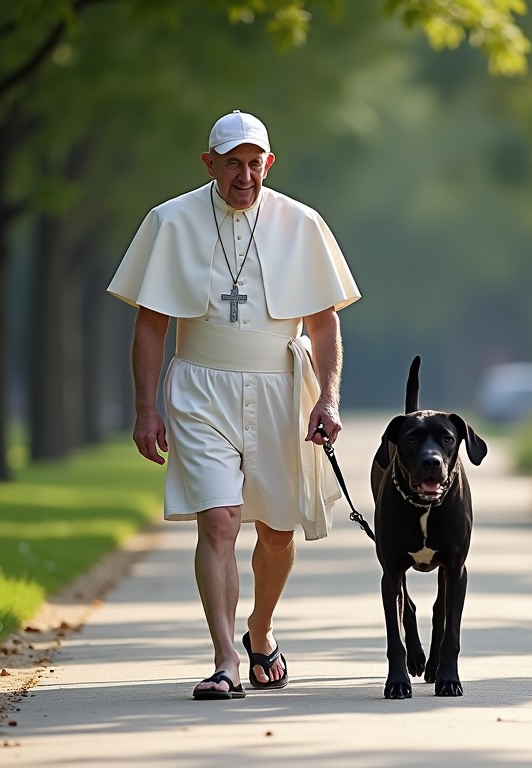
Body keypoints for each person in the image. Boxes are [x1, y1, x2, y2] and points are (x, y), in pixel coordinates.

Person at [107, 110, 361, 700]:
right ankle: (224, 658)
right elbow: (151, 326)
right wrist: (147, 409)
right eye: (232, 164)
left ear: (268, 163)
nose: (245, 177)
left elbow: (324, 325)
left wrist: (328, 398)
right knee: (218, 520)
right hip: (200, 387)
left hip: (279, 388)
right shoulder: (169, 221)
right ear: (209, 163)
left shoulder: (302, 223)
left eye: (255, 164)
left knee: (276, 531)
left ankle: (259, 631)